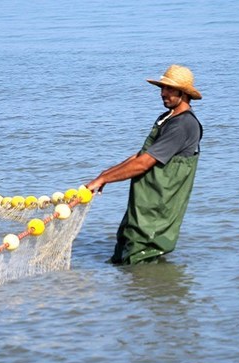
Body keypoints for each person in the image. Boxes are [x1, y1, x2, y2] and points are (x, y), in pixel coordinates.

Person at [86, 64, 203, 265]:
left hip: (156, 211)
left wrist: (104, 179)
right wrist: (103, 175)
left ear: (183, 93)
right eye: (161, 88)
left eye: (169, 89)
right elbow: (140, 156)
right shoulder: (167, 118)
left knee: (140, 260)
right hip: (144, 205)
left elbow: (143, 164)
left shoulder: (183, 124)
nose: (163, 93)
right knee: (125, 255)